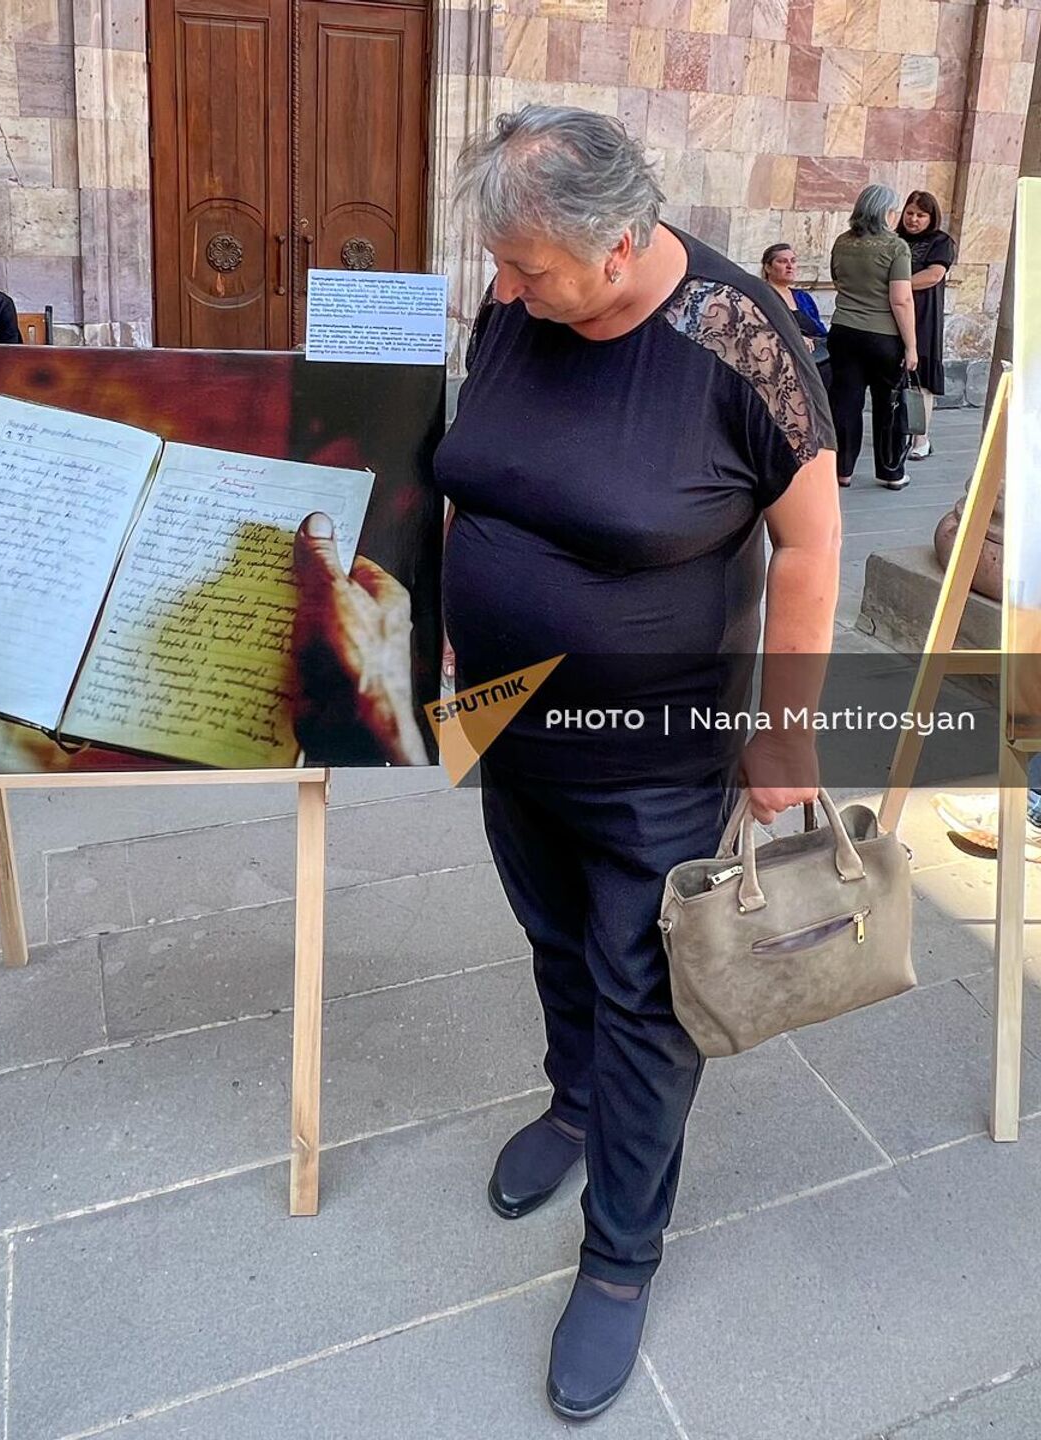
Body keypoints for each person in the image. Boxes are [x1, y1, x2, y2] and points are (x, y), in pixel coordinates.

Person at [293, 105, 839, 1421]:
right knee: (554, 938)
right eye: (502, 265)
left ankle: (620, 1256)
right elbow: (477, 479)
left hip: (660, 752)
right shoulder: (525, 306)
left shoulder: (739, 341)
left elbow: (812, 545)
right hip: (507, 721)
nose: (506, 290)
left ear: (619, 243)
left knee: (647, 991)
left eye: (529, 267)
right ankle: (575, 1107)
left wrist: (784, 739)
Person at [827, 185, 916, 490]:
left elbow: (837, 281)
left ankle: (843, 471)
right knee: (889, 404)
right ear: (886, 212)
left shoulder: (842, 242)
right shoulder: (896, 247)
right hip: (883, 336)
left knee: (846, 402)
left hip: (843, 331)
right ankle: (891, 472)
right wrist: (912, 345)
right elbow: (901, 300)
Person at [898, 191, 955, 461]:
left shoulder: (940, 241)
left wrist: (899, 284)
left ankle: (922, 439)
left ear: (930, 218)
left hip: (924, 316)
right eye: (910, 213)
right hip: (893, 313)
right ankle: (897, 434)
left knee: (922, 380)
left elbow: (934, 274)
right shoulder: (894, 239)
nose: (914, 219)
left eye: (921, 215)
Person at [760, 242, 830, 382]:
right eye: (782, 261)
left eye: (793, 261)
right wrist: (795, 338)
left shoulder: (802, 297)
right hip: (785, 360)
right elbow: (760, 328)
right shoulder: (762, 295)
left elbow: (819, 328)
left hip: (818, 356)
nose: (790, 266)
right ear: (768, 267)